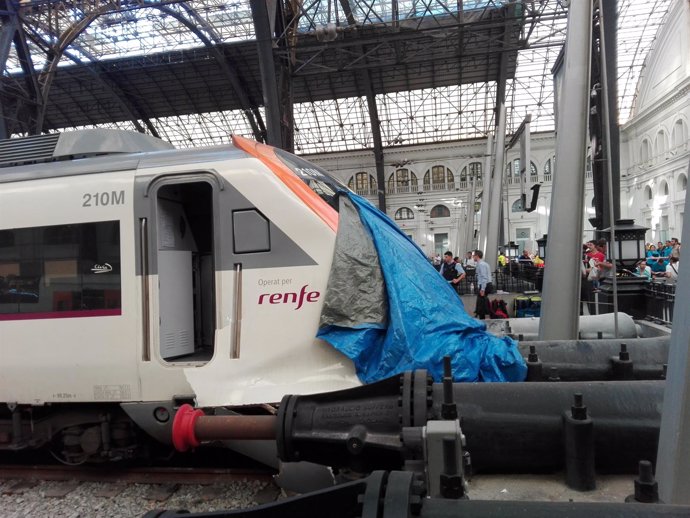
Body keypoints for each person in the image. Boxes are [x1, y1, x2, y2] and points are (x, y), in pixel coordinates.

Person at [472, 249, 492, 319]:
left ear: (477, 256)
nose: (472, 257)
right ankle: (481, 316)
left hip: (484, 285)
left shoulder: (481, 264)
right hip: (487, 284)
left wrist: (482, 289)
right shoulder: (484, 264)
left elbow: (484, 277)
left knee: (481, 304)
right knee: (482, 303)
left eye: (473, 256)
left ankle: (482, 319)